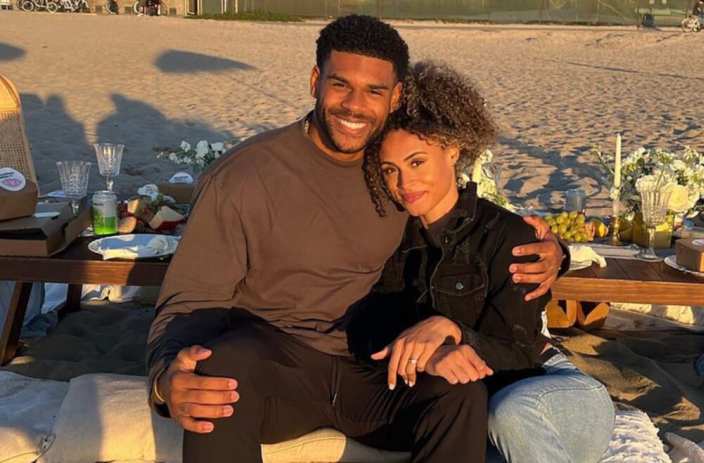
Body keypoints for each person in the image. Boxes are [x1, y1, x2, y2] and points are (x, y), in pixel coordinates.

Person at [145, 15, 566, 463]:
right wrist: (164, 379)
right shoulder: (243, 177)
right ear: (315, 81)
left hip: (373, 369)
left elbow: (467, 227)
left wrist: (556, 250)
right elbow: (191, 299)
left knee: (458, 394)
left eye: (375, 91)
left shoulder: (396, 169)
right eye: (341, 85)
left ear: (396, 96)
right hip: (277, 365)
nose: (354, 106)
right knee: (219, 371)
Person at [349, 61, 615, 463]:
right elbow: (372, 325)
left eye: (417, 162)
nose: (404, 184)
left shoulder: (507, 235)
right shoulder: (393, 242)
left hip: (548, 392)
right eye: (390, 171)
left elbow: (521, 351)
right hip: (470, 413)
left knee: (508, 413)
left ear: (453, 150)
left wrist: (451, 331)